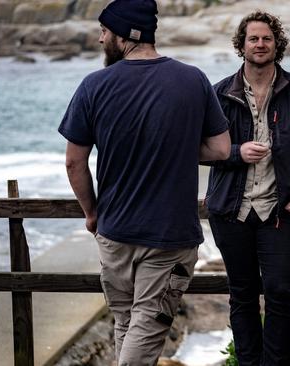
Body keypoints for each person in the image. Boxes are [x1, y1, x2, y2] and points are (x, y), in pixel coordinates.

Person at [58, 1, 230, 364]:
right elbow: (220, 148)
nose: (100, 39)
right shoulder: (192, 79)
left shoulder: (93, 85)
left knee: (128, 325)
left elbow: (75, 162)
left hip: (115, 231)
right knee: (142, 328)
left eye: (104, 32)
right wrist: (179, 145)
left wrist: (91, 214)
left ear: (124, 35)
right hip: (169, 234)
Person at [204, 11, 290, 366]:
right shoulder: (218, 93)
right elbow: (198, 148)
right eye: (253, 39)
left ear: (277, 44)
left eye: (266, 38)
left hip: (279, 210)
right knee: (242, 296)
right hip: (231, 211)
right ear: (241, 46)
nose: (260, 44)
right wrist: (234, 153)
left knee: (279, 294)